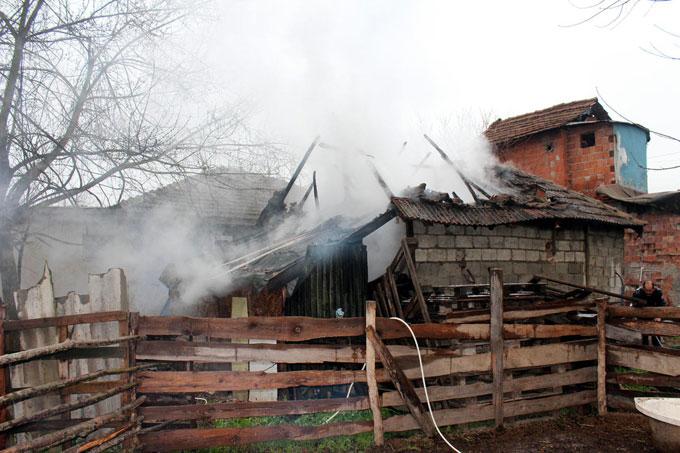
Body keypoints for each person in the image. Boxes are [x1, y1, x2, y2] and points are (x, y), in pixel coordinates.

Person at [633, 280, 666, 347]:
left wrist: (659, 316)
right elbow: (634, 303)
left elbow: (662, 304)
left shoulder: (658, 292)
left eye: (649, 283)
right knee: (645, 333)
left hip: (655, 315)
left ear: (652, 286)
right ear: (644, 286)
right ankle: (645, 347)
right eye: (646, 283)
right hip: (643, 315)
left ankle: (657, 347)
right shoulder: (638, 292)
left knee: (655, 333)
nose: (648, 285)